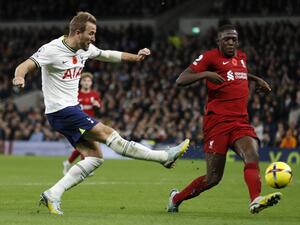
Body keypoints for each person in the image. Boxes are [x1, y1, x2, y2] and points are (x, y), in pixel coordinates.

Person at [12, 12, 189, 215]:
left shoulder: (83, 49)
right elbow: (24, 65)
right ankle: (163, 156)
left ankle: (53, 193)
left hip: (68, 111)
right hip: (62, 110)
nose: (93, 38)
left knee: (95, 158)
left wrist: (136, 57)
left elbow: (107, 54)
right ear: (78, 32)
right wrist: (19, 77)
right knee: (108, 134)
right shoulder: (52, 49)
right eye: (91, 34)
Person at [167, 24, 281, 214]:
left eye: (234, 39)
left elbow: (238, 74)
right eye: (226, 39)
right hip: (217, 123)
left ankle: (255, 199)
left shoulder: (241, 57)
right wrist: (206, 74)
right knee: (213, 178)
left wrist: (256, 79)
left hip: (240, 122)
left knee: (252, 155)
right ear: (218, 41)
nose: (231, 42)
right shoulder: (210, 57)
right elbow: (181, 80)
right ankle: (176, 198)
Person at [62, 72, 101, 176]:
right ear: (80, 82)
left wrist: (97, 106)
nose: (87, 83)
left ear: (91, 83)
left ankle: (68, 163)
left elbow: (98, 109)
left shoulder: (95, 95)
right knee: (87, 144)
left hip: (90, 123)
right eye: (84, 80)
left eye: (89, 81)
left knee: (84, 146)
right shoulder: (76, 94)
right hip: (78, 123)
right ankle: (85, 168)